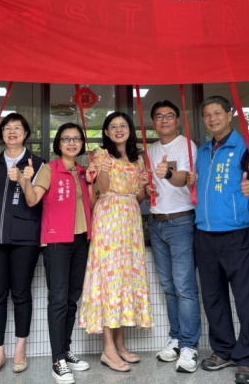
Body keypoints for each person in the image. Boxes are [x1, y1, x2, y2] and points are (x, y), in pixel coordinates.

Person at [187, 95, 249, 384]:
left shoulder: (245, 146)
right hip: (204, 233)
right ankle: (224, 350)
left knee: (244, 297)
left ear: (230, 115)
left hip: (236, 232)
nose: (212, 119)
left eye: (217, 113)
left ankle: (248, 358)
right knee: (213, 297)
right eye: (207, 115)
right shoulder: (203, 151)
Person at [20, 123, 96, 384]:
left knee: (72, 298)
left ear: (82, 143)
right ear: (58, 144)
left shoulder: (84, 172)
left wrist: (93, 182)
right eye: (66, 139)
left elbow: (92, 205)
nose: (71, 143)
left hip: (81, 240)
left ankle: (65, 350)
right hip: (56, 242)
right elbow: (32, 200)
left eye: (76, 138)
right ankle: (57, 360)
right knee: (58, 300)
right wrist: (25, 180)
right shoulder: (49, 169)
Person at [78, 112, 153, 373]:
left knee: (124, 280)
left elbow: (139, 197)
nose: (119, 129)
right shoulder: (101, 154)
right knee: (108, 280)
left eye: (123, 125)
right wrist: (105, 170)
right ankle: (108, 349)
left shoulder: (137, 159)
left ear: (130, 130)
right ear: (107, 132)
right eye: (113, 126)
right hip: (109, 218)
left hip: (130, 220)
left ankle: (120, 344)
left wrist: (142, 185)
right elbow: (103, 188)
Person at [0, 113, 45, 376]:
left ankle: (20, 350)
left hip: (24, 237)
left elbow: (35, 201)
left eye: (17, 128)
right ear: (2, 133)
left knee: (21, 293)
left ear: (26, 133)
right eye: (7, 128)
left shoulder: (37, 164)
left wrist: (24, 179)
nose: (12, 132)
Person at [145, 100, 201, 373]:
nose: (164, 120)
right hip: (156, 223)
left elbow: (183, 178)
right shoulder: (150, 150)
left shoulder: (187, 145)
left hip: (181, 222)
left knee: (184, 286)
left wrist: (167, 172)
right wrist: (145, 186)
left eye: (169, 116)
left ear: (177, 120)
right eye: (159, 116)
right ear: (153, 122)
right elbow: (148, 185)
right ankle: (176, 338)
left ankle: (190, 345)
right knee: (168, 286)